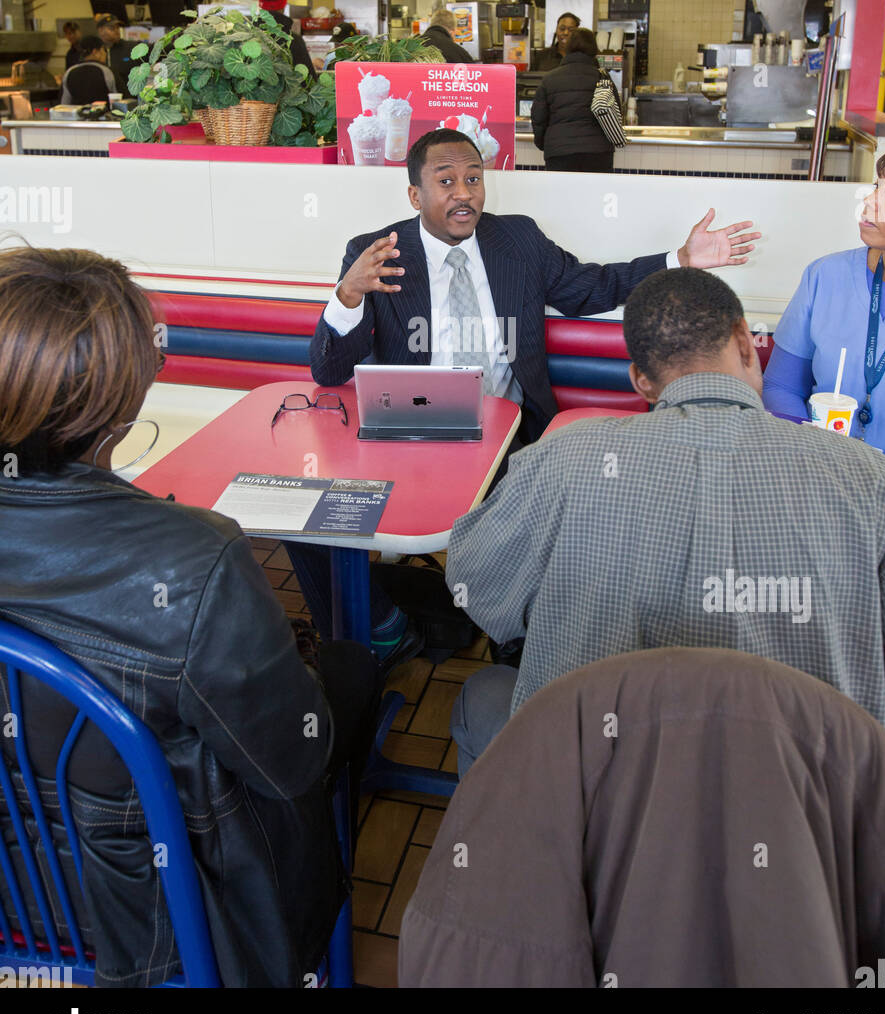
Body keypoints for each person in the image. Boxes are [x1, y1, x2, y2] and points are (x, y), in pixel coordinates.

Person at [0, 246, 380, 987]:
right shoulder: (194, 561)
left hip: (23, 890)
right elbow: (289, 763)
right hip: (164, 915)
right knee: (351, 671)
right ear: (127, 393)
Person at [291, 128, 759, 659]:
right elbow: (328, 372)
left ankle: (513, 644)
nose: (464, 192)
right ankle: (384, 626)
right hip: (410, 434)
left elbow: (591, 287)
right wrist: (348, 293)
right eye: (446, 181)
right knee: (304, 517)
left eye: (473, 178)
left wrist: (679, 259)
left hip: (514, 435)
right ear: (415, 195)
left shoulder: (518, 240)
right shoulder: (377, 254)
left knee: (554, 544)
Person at [445, 266, 885, 776]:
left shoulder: (559, 459)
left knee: (483, 693)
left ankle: (514, 847)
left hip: (588, 805)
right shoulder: (877, 483)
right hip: (808, 819)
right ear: (746, 343)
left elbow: (475, 586)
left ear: (640, 381)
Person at [400, 648, 885, 988]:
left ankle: (385, 631)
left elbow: (485, 588)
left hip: (562, 748)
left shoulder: (553, 471)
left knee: (486, 695)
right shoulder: (883, 491)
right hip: (833, 769)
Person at [763, 140, 885, 484]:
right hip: (820, 473)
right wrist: (809, 454)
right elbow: (780, 386)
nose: (867, 202)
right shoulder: (826, 276)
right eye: (874, 188)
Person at [530, 26, 616, 173]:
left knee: (561, 196)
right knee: (594, 195)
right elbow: (615, 115)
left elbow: (538, 117)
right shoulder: (602, 78)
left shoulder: (550, 79)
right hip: (598, 153)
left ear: (568, 48)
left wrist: (546, 143)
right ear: (593, 49)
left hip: (559, 153)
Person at [256, 0, 316, 81]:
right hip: (289, 98)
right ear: (283, 5)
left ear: (260, 5)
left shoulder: (247, 39)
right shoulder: (293, 41)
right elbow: (309, 81)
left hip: (251, 99)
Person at [59, 34, 117, 105]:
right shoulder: (108, 72)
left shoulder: (69, 73)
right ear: (95, 52)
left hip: (76, 115)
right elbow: (120, 102)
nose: (105, 53)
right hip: (104, 115)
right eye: (103, 50)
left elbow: (64, 105)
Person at [94, 14, 135, 97]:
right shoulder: (95, 52)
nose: (116, 30)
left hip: (128, 102)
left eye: (117, 28)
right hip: (103, 103)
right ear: (101, 30)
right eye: (112, 28)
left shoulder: (131, 48)